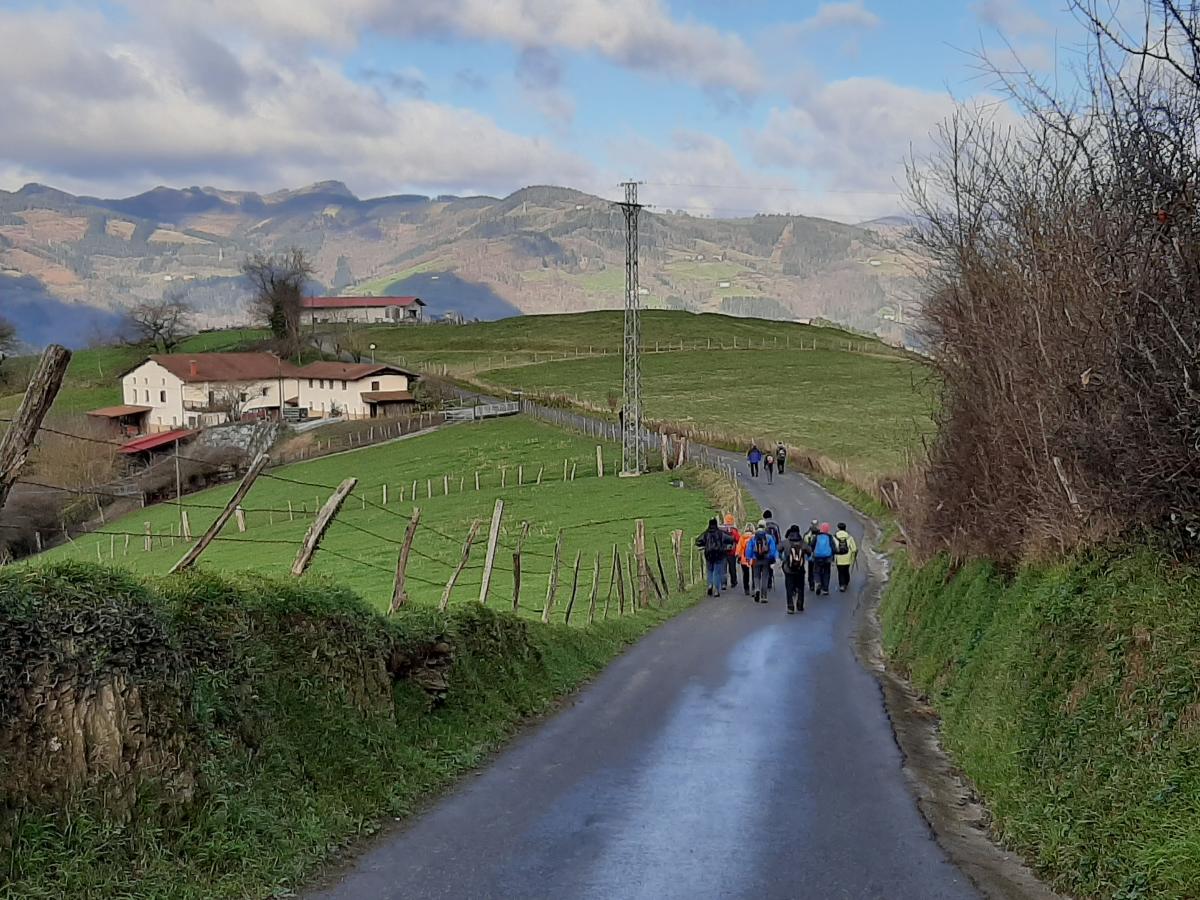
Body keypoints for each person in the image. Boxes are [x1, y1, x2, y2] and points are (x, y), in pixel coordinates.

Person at [695, 518, 732, 597]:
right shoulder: (720, 533)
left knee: (710, 571)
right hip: (718, 554)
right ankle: (716, 589)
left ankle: (710, 585)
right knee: (717, 572)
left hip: (708, 554)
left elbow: (698, 541)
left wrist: (704, 544)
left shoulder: (706, 533)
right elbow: (730, 539)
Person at [778, 524, 809, 613]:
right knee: (800, 587)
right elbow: (809, 551)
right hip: (800, 569)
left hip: (788, 569)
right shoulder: (802, 543)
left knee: (789, 587)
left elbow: (778, 549)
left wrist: (782, 558)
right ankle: (800, 604)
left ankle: (790, 606)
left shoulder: (786, 542)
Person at [748, 520, 777, 603]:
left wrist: (749, 557)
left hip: (755, 559)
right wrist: (772, 558)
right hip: (766, 559)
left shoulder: (753, 538)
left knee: (756, 576)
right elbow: (773, 549)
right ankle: (764, 596)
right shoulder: (769, 537)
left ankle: (756, 589)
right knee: (765, 577)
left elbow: (749, 548)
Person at [809, 522, 836, 595]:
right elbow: (833, 548)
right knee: (827, 572)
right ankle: (825, 589)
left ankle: (818, 582)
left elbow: (812, 545)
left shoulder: (817, 536)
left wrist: (812, 553)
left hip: (817, 557)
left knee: (816, 571)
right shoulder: (829, 537)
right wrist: (833, 556)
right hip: (827, 558)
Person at [834, 522, 858, 593]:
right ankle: (846, 582)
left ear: (838, 528)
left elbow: (833, 548)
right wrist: (853, 557)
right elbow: (854, 549)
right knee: (846, 570)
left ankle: (842, 585)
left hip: (838, 558)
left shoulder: (834, 537)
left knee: (840, 572)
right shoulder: (849, 537)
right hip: (847, 558)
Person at [719, 515, 741, 590]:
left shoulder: (721, 530)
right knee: (732, 568)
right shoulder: (734, 530)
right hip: (732, 552)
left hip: (723, 552)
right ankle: (733, 582)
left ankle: (723, 584)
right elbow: (739, 540)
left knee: (723, 568)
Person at [736, 522, 756, 595]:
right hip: (753, 558)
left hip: (744, 558)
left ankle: (746, 589)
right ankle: (754, 587)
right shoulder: (754, 537)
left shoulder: (742, 537)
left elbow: (739, 548)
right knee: (754, 573)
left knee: (745, 574)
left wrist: (738, 555)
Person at [805, 519, 821, 592]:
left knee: (810, 570)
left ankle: (811, 585)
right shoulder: (820, 534)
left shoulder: (807, 535)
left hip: (810, 555)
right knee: (818, 570)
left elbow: (804, 544)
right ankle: (818, 582)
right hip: (819, 555)